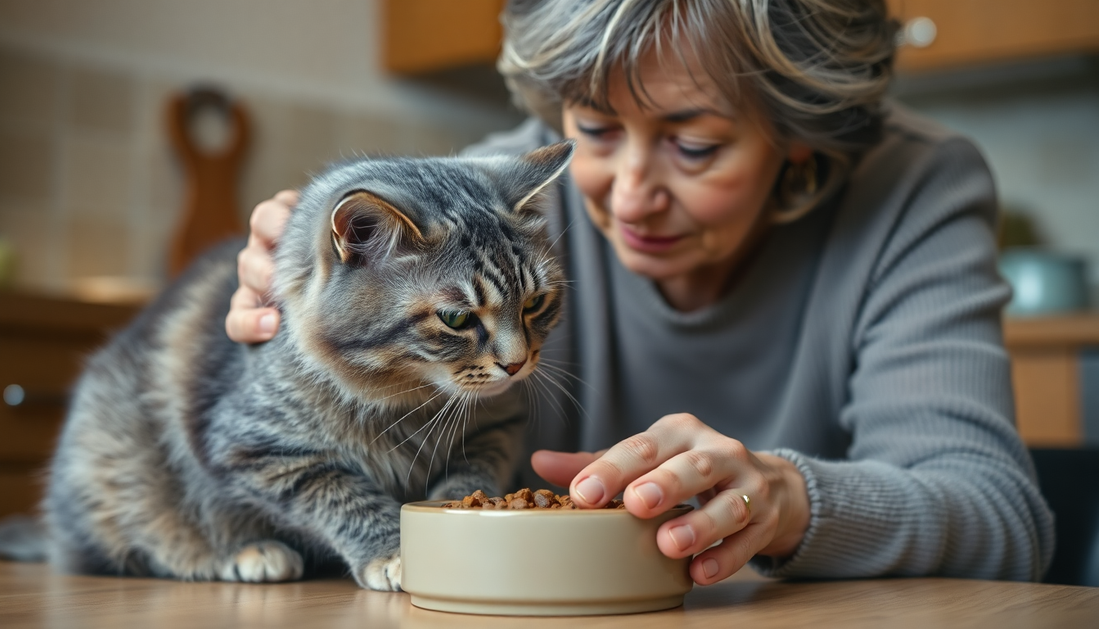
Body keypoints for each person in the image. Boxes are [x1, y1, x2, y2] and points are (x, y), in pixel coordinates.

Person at [227, 0, 1054, 585]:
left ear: (799, 134)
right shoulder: (507, 191)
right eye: (594, 128)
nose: (628, 196)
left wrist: (786, 502)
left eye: (693, 146)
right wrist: (294, 306)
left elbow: (1003, 522)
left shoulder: (911, 188)